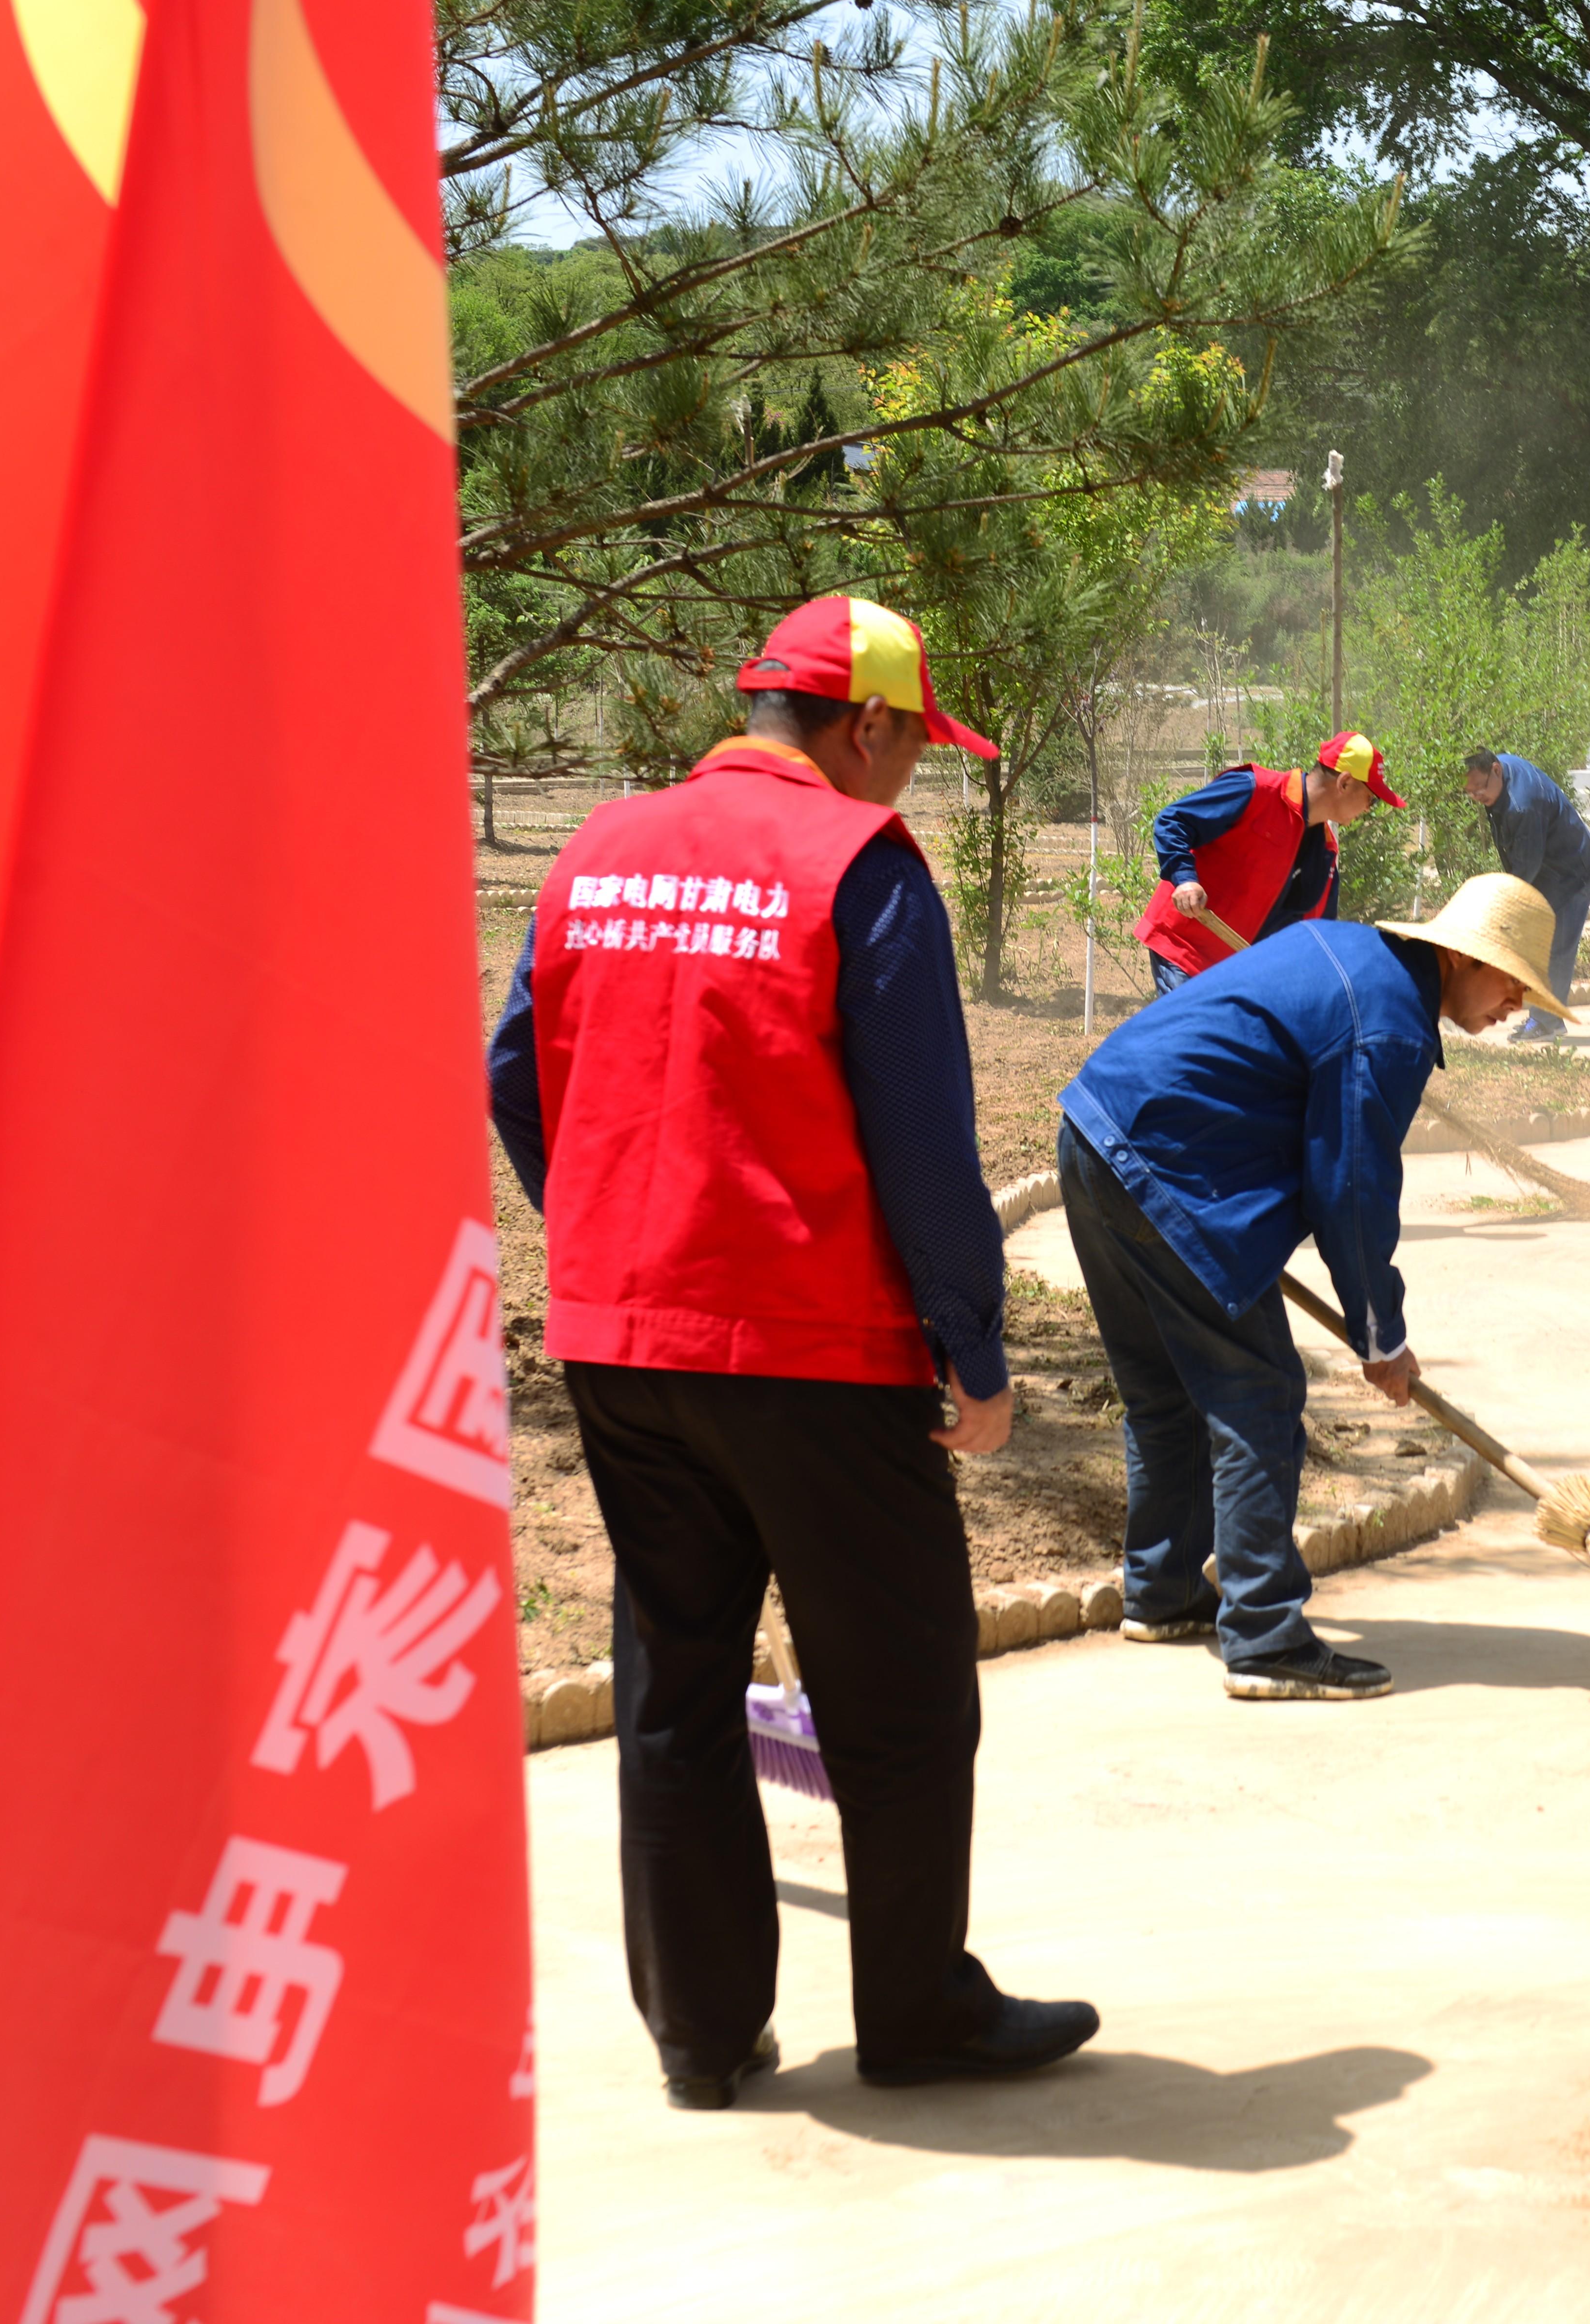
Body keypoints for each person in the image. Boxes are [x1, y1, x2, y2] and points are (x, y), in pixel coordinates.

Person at [485, 593, 1099, 2101]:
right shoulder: (859, 867)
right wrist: (972, 1345)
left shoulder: (598, 849)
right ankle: (915, 2013)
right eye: (913, 745)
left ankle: (700, 2033)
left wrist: (607, 1226)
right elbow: (919, 1137)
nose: (914, 778)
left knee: (674, 1680)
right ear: (866, 722)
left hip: (623, 1346)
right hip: (810, 1351)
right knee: (897, 1693)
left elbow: (512, 1069)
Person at [1054, 875, 1574, 1698]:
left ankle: (1164, 1593)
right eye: (1509, 975)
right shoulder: (1392, 1025)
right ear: (1455, 954)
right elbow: (1353, 1188)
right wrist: (1382, 1336)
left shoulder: (1350, 952)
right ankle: (1263, 1637)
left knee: (1167, 1396)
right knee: (1257, 1395)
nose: (1515, 1000)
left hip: (1094, 1130)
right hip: (1168, 1170)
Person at [1136, 731, 1405, 993]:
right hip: (1186, 948)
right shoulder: (1256, 789)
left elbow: (1319, 936)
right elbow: (1174, 821)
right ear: (1344, 783)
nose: (1369, 809)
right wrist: (1185, 880)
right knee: (1191, 1035)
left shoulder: (1325, 853)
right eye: (1371, 798)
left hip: (1236, 975)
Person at [1459, 747, 1590, 1040]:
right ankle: (1547, 1019)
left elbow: (1526, 868)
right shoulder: (1502, 773)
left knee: (1553, 949)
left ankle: (1546, 1023)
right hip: (1549, 866)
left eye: (1481, 790)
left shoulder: (1522, 805)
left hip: (1570, 871)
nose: (1478, 798)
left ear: (1496, 771)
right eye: (1471, 793)